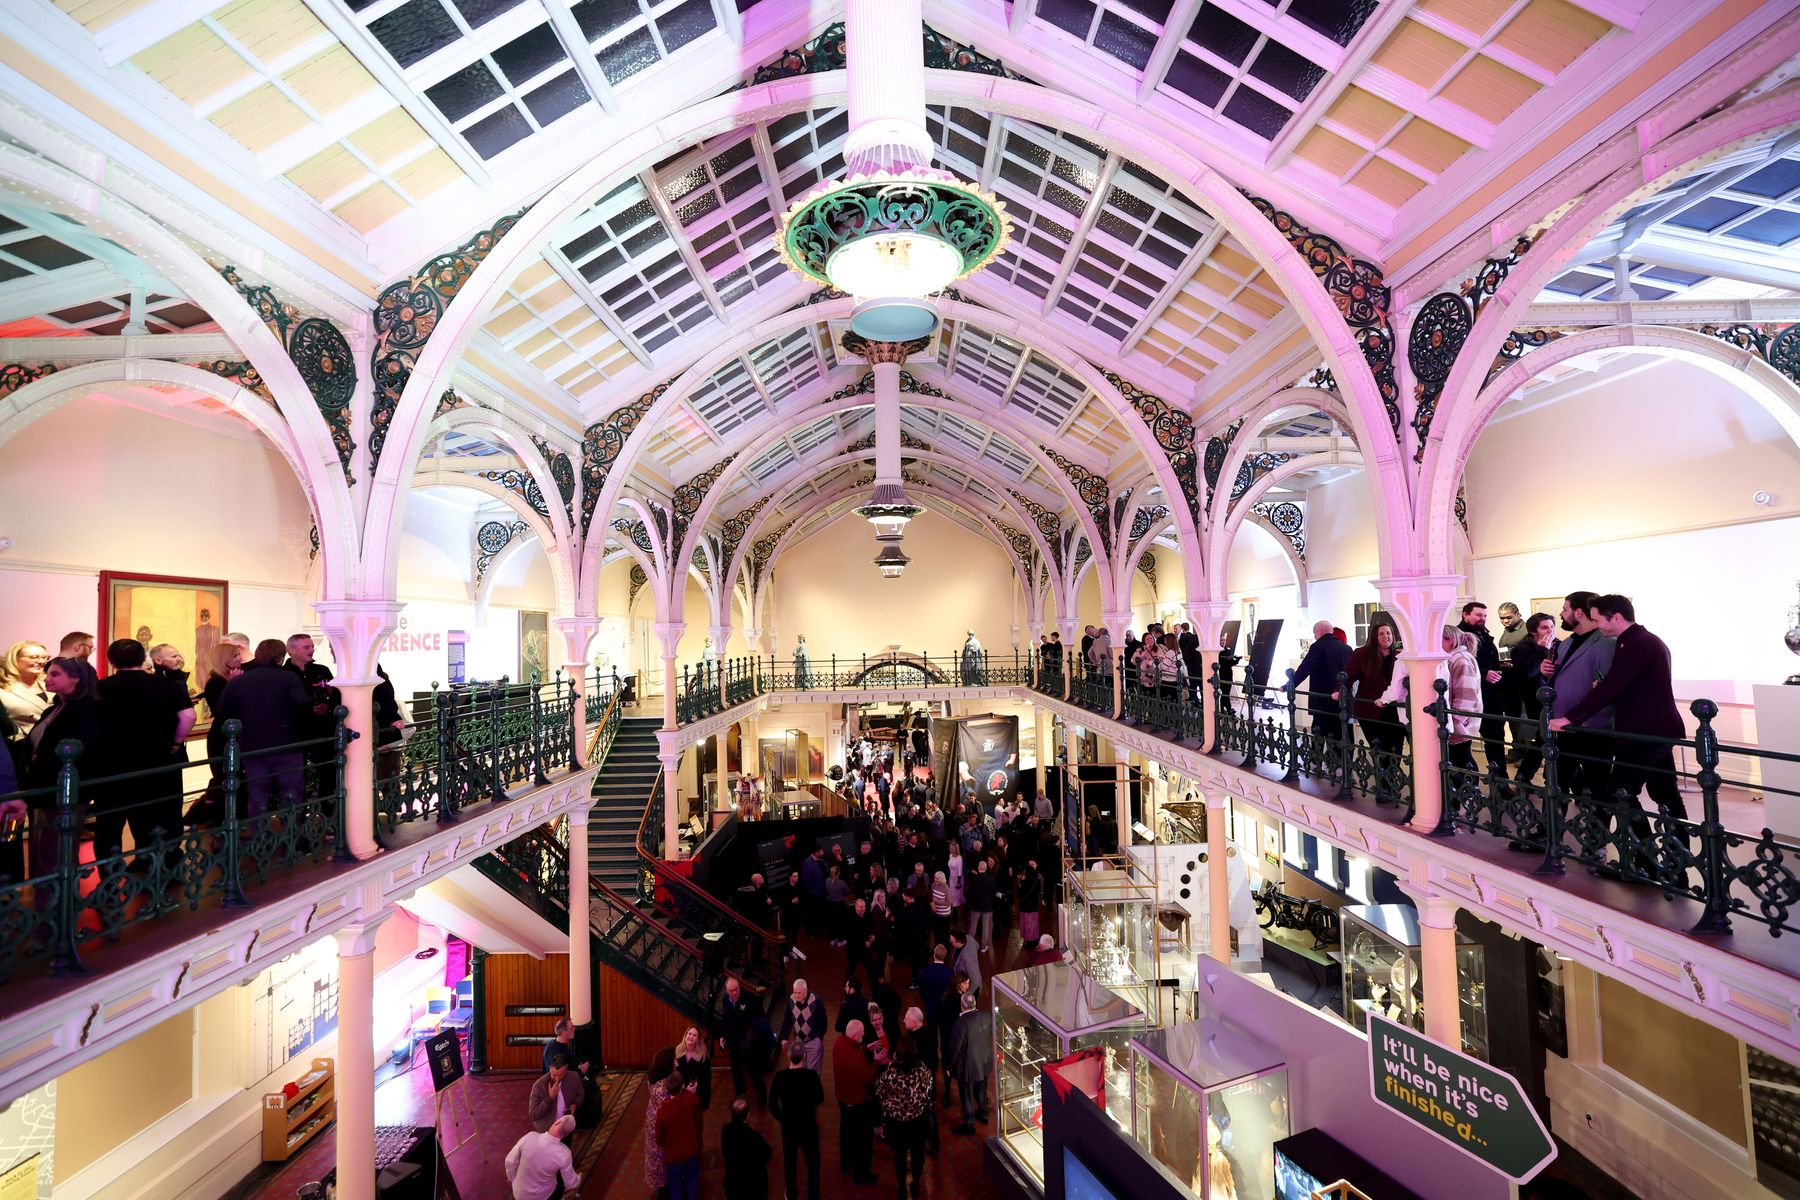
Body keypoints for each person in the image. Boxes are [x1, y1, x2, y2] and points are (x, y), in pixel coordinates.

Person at [1554, 595, 1688, 882]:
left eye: (1599, 619)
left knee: (1621, 795)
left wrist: (1570, 717)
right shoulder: (1642, 641)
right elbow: (1625, 684)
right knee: (1665, 794)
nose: (1597, 624)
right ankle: (1677, 865)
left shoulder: (1637, 644)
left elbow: (1612, 687)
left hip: (1643, 732)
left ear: (1616, 617)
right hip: (1654, 729)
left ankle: (1646, 864)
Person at [93, 638, 193, 861]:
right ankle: (159, 864)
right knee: (158, 815)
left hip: (115, 764)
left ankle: (111, 875)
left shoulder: (101, 687)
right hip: (159, 760)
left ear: (111, 661)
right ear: (142, 658)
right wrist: (176, 741)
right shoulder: (165, 685)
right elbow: (188, 715)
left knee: (111, 823)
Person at [22, 657, 102, 895]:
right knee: (45, 849)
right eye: (48, 674)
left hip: (65, 789)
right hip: (45, 787)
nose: (47, 679)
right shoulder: (56, 707)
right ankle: (48, 903)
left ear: (76, 678)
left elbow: (84, 749)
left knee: (56, 850)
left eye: (55, 674)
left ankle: (57, 908)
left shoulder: (87, 709)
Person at [215, 639, 312, 817]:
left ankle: (258, 836)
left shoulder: (237, 682)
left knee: (257, 793)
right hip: (287, 745)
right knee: (291, 793)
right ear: (281, 658)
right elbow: (304, 709)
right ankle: (291, 836)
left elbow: (222, 714)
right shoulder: (288, 678)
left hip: (251, 746)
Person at [877, 1037, 934, 1200]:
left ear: (898, 1052)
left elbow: (880, 1091)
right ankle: (915, 1184)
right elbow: (929, 1089)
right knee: (917, 1156)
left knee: (900, 1156)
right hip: (917, 1121)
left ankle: (901, 1187)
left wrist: (890, 1107)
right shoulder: (921, 1069)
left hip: (897, 1123)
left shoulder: (891, 1071)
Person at [284, 633, 341, 795]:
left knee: (328, 773)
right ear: (292, 650)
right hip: (295, 733)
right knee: (294, 776)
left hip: (322, 731)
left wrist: (327, 706)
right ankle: (297, 815)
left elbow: (336, 696)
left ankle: (327, 813)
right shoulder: (284, 674)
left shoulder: (321, 670)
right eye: (306, 647)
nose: (311, 650)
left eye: (311, 646)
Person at [767, 1041, 824, 1200]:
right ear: (805, 1057)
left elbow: (772, 1104)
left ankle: (791, 1194)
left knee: (790, 1163)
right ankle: (814, 1195)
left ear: (789, 1055)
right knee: (813, 1164)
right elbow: (820, 1098)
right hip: (809, 1126)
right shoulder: (811, 1075)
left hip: (789, 1128)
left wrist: (783, 1118)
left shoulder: (780, 1076)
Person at [1456, 601, 1508, 777]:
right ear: (1465, 615)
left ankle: (1500, 781)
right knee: (1463, 741)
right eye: (1478, 615)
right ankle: (1465, 780)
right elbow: (1461, 661)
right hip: (1470, 697)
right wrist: (1485, 672)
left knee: (1495, 740)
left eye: (1485, 615)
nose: (1482, 618)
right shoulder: (1459, 635)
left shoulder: (1483, 633)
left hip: (1492, 696)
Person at [1344, 622, 1404, 764]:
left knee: (1396, 747)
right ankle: (1383, 782)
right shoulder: (1362, 653)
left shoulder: (1400, 655)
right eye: (1381, 634)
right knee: (1379, 746)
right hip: (1370, 708)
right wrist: (1338, 691)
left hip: (1394, 709)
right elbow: (1349, 674)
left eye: (1388, 633)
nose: (1386, 637)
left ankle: (1392, 779)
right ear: (1374, 637)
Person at [1286, 620, 1353, 742]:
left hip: (1323, 699)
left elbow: (1305, 669)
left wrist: (1290, 685)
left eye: (1314, 633)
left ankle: (1316, 759)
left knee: (1319, 731)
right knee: (1341, 732)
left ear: (1320, 631)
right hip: (1343, 698)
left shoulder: (1318, 646)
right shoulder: (1347, 648)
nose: (1314, 636)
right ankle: (1339, 760)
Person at [833, 1020, 879, 1185]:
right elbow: (868, 1077)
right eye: (862, 1034)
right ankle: (861, 1174)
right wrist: (876, 1061)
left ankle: (846, 1164)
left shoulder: (839, 1042)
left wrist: (866, 1047)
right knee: (863, 1140)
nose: (864, 1035)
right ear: (856, 1035)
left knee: (846, 1133)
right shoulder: (856, 1057)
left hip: (842, 1098)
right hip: (857, 1102)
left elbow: (853, 1048)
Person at [720, 975, 772, 1105]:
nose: (735, 992)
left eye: (736, 989)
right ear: (727, 991)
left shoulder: (749, 998)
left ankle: (763, 1099)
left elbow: (761, 1017)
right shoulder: (725, 1001)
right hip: (734, 1044)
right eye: (731, 990)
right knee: (736, 1072)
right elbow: (725, 1019)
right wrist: (723, 1035)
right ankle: (741, 1097)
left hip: (749, 1043)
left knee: (754, 1072)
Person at [504, 1114, 580, 1200]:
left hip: (519, 1194)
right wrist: (578, 1180)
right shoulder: (564, 1154)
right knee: (560, 1180)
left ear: (556, 1122)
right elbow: (570, 1183)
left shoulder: (529, 1137)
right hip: (543, 1196)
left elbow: (510, 1162)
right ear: (565, 1135)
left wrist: (513, 1178)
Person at [947, 992, 992, 1134]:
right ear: (975, 1004)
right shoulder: (987, 1016)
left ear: (962, 1006)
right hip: (984, 1061)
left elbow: (955, 1049)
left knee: (966, 1095)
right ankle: (984, 1114)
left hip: (967, 1067)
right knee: (982, 1090)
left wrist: (948, 1065)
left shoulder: (960, 1025)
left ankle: (969, 1123)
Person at [1439, 627, 1482, 774]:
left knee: (1462, 759)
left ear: (1450, 640)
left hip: (1460, 722)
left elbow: (1467, 694)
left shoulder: (1460, 659)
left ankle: (1469, 793)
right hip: (1456, 720)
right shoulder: (1454, 658)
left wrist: (1457, 720)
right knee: (1458, 759)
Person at [656, 1070, 704, 1200]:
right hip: (690, 1151)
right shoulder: (692, 1100)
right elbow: (699, 1124)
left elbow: (659, 1139)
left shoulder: (662, 1112)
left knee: (675, 1186)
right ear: (682, 1085)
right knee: (692, 1182)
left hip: (672, 1157)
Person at [0, 641, 51, 755]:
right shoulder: (3, 689)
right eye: (34, 657)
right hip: (22, 751)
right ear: (15, 659)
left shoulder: (50, 681)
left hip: (56, 746)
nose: (41, 661)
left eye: (45, 657)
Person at [644, 1047, 679, 1198]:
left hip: (654, 1126)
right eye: (674, 1060)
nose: (677, 1063)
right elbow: (668, 1112)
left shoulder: (656, 1080)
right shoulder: (663, 1087)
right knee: (662, 1165)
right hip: (659, 1131)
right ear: (667, 1064)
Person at [721, 1097, 771, 1200]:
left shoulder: (726, 1130)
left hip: (733, 1184)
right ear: (747, 1115)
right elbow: (767, 1155)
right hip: (753, 1187)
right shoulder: (754, 1137)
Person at [528, 1052, 585, 1134]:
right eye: (554, 1075)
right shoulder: (539, 1085)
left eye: (561, 1074)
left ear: (566, 1067)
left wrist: (575, 1104)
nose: (557, 1078)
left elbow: (580, 1093)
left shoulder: (574, 1077)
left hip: (566, 1127)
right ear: (549, 1068)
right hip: (547, 1131)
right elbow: (533, 1115)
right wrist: (550, 1098)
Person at [779, 977, 827, 1073]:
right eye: (794, 992)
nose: (796, 995)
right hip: (799, 1042)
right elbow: (788, 1019)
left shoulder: (816, 1001)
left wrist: (819, 1038)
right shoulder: (791, 1000)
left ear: (805, 990)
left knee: (813, 1073)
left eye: (799, 993)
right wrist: (784, 1037)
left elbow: (823, 1022)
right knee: (800, 1071)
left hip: (813, 1041)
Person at [675, 1024, 713, 1110]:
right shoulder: (677, 1051)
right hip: (679, 1095)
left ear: (698, 1039)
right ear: (685, 1035)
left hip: (696, 1096)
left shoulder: (703, 1057)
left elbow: (707, 1081)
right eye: (689, 1034)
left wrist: (705, 1102)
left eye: (694, 1035)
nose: (691, 1036)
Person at [966, 858, 995, 954]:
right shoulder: (990, 879)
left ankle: (970, 945)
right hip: (987, 906)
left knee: (973, 925)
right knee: (985, 926)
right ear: (986, 868)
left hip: (976, 905)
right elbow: (993, 892)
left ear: (978, 868)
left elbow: (969, 893)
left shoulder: (974, 879)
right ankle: (983, 946)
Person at [950, 928, 981, 996]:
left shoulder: (967, 959)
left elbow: (975, 981)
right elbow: (977, 946)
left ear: (959, 943)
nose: (950, 941)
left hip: (968, 989)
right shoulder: (968, 938)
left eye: (952, 941)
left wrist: (966, 996)